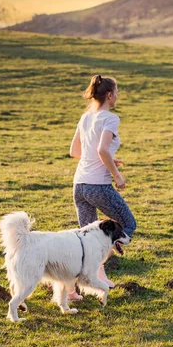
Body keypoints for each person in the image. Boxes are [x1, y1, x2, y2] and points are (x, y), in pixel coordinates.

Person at [68, 74, 137, 300]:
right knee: (128, 224)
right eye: (116, 92)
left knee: (86, 237)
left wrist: (107, 161)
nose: (117, 97)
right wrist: (116, 175)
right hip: (98, 185)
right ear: (109, 95)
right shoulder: (110, 118)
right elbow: (102, 150)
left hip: (79, 185)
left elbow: (75, 152)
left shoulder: (86, 117)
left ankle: (72, 286)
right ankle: (94, 272)